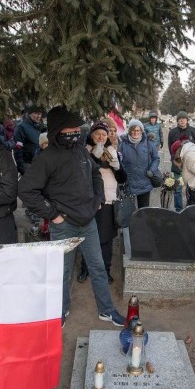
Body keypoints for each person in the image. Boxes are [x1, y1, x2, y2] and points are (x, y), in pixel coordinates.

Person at [18, 105, 124, 327]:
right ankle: (61, 311)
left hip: (88, 222)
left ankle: (106, 309)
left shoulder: (80, 151)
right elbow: (27, 191)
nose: (76, 132)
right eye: (71, 129)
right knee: (63, 272)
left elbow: (95, 174)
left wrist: (98, 200)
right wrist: (53, 215)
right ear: (58, 131)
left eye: (78, 128)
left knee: (97, 267)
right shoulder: (47, 158)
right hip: (63, 225)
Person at [77, 121, 126, 284]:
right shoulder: (85, 152)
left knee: (106, 238)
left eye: (104, 135)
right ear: (92, 135)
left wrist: (117, 167)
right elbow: (82, 173)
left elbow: (122, 179)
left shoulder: (112, 151)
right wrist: (93, 158)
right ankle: (85, 268)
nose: (101, 137)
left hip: (108, 200)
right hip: (90, 200)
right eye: (97, 134)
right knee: (87, 236)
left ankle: (105, 270)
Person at [118, 119, 160, 208]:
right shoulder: (123, 144)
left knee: (143, 213)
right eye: (133, 130)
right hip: (129, 184)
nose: (135, 132)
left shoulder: (149, 143)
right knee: (128, 212)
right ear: (129, 131)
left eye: (138, 130)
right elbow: (119, 161)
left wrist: (152, 170)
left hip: (144, 183)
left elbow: (156, 159)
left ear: (141, 131)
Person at [167, 111, 195, 211]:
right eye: (180, 119)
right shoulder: (172, 132)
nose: (182, 120)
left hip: (191, 165)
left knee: (191, 188)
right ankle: (178, 210)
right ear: (178, 120)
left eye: (184, 118)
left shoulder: (194, 131)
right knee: (177, 189)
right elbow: (170, 148)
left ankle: (190, 209)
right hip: (177, 165)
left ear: (187, 120)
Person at [14, 104, 45, 174]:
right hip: (28, 166)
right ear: (29, 114)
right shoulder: (21, 127)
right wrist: (22, 167)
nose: (39, 116)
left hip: (38, 164)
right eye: (36, 113)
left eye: (40, 113)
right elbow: (17, 149)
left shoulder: (37, 127)